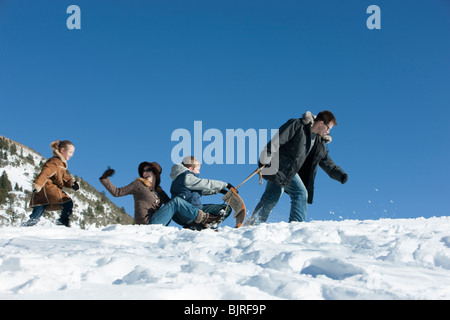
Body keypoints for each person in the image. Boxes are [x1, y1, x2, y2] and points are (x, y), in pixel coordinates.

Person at [245, 111, 348, 226]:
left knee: (272, 195)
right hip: (280, 166)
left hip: (288, 171)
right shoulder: (298, 125)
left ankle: (253, 223)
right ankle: (297, 226)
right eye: (328, 128)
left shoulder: (319, 143)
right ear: (321, 123)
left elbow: (327, 162)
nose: (328, 132)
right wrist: (266, 156)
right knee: (300, 193)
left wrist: (340, 175)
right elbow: (278, 139)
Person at [149, 156, 233, 229]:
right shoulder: (185, 177)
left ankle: (199, 225)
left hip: (193, 211)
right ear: (190, 168)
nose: (199, 172)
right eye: (197, 169)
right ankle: (203, 224)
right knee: (224, 209)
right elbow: (204, 183)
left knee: (226, 209)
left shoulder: (184, 179)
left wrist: (218, 190)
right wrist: (225, 185)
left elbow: (200, 190)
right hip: (186, 213)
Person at [23, 140, 79, 227]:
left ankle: (28, 225)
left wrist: (72, 183)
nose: (71, 155)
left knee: (38, 210)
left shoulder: (60, 164)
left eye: (72, 153)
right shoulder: (55, 162)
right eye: (70, 152)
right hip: (48, 188)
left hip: (41, 192)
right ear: (62, 150)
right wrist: (38, 184)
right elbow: (45, 172)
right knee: (68, 202)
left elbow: (63, 177)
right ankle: (63, 221)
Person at [99, 161, 171, 225]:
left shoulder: (160, 192)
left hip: (157, 223)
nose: (145, 173)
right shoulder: (139, 184)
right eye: (143, 171)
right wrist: (104, 177)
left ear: (155, 173)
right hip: (145, 223)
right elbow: (117, 192)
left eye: (148, 170)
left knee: (173, 204)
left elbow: (171, 204)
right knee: (176, 202)